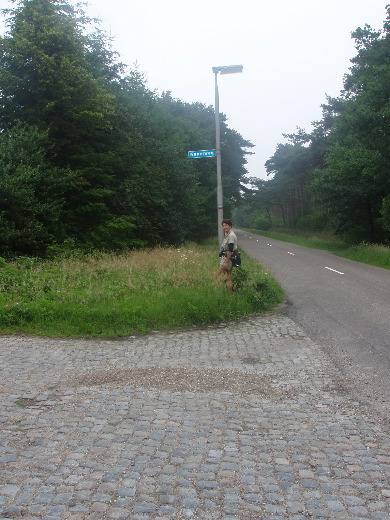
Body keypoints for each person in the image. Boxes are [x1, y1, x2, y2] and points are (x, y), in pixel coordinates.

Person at [217, 218, 237, 293]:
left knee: (217, 275)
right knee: (228, 277)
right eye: (223, 225)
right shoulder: (227, 233)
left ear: (230, 226)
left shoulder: (231, 235)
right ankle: (230, 293)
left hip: (228, 258)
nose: (224, 227)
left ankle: (217, 290)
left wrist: (226, 261)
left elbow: (230, 250)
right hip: (228, 258)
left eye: (226, 225)